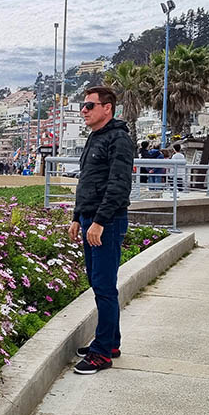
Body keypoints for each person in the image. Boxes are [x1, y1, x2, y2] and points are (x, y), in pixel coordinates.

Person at [68, 86, 134, 375]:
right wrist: (76, 217)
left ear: (107, 108)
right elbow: (88, 182)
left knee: (104, 286)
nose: (84, 110)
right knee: (98, 283)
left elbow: (119, 186)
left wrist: (99, 222)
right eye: (83, 106)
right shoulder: (95, 137)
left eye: (89, 105)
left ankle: (102, 353)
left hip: (105, 222)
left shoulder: (119, 139)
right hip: (89, 219)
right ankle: (111, 342)